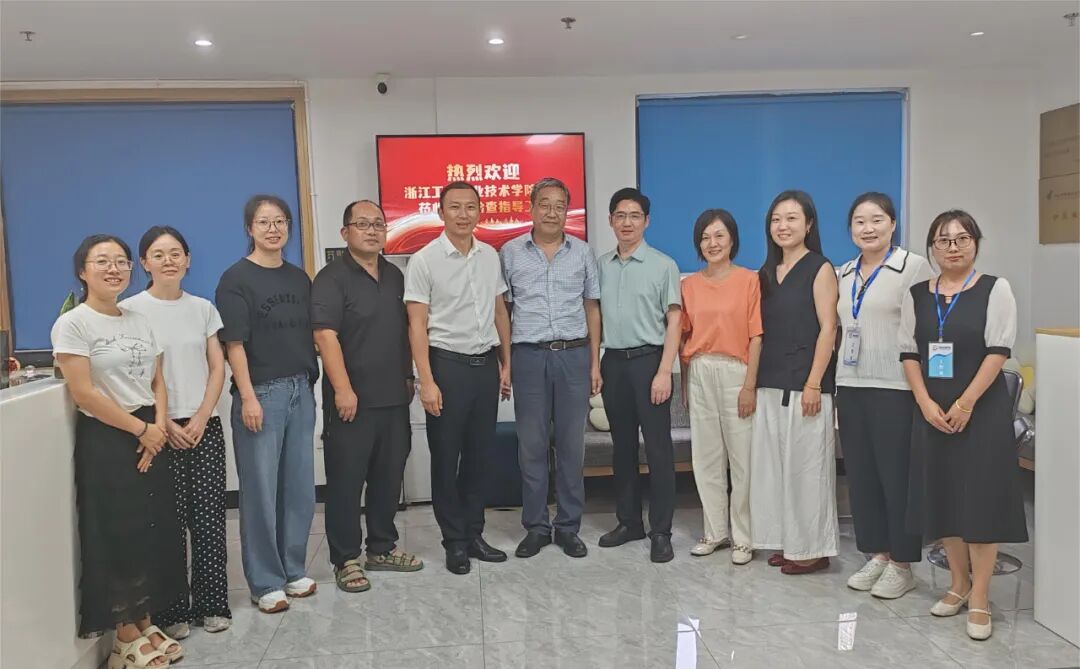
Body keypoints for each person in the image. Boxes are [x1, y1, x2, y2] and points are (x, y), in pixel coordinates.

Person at [52, 234, 185, 668]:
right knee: (116, 532)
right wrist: (142, 430)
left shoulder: (138, 319)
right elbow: (85, 394)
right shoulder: (74, 324)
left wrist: (157, 427)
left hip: (149, 429)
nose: (114, 269)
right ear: (82, 271)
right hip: (109, 435)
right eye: (102, 261)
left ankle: (145, 619)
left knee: (148, 528)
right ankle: (124, 634)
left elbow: (158, 378)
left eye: (121, 262)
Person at [900, 210, 1027, 641]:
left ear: (975, 243)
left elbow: (998, 350)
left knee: (980, 503)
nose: (953, 247)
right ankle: (958, 584)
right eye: (943, 240)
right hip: (932, 411)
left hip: (981, 412)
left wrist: (966, 403)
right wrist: (924, 402)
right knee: (944, 499)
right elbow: (909, 353)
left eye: (962, 238)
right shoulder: (917, 294)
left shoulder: (995, 289)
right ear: (932, 248)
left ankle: (981, 597)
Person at [122, 226, 232, 638]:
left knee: (208, 520)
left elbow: (217, 366)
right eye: (158, 254)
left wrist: (202, 416)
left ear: (187, 260)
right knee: (164, 523)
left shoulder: (202, 308)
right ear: (144, 263)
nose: (168, 260)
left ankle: (212, 605)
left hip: (204, 426)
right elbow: (136, 374)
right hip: (156, 429)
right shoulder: (130, 311)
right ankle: (170, 611)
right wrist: (164, 421)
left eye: (175, 253)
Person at [312, 200, 422, 593]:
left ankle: (381, 548)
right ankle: (345, 558)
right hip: (351, 401)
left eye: (378, 224)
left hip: (393, 396)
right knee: (346, 481)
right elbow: (325, 335)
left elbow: (407, 330)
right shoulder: (331, 277)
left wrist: (409, 377)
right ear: (346, 233)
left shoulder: (394, 275)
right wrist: (343, 389)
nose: (372, 230)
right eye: (363, 224)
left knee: (388, 477)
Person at [215, 195, 319, 614]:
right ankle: (265, 581)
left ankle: (293, 569)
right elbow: (234, 344)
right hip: (261, 393)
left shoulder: (299, 278)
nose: (273, 229)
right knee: (260, 491)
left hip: (301, 390)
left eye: (280, 221)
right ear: (249, 229)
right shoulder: (235, 279)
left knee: (298, 487)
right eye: (263, 222)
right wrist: (248, 397)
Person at [404, 181, 512, 575]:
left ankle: (474, 534)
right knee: (446, 458)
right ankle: (453, 541)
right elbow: (417, 325)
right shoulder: (424, 260)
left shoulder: (489, 256)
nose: (463, 214)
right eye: (455, 207)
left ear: (480, 211)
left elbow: (499, 311)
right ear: (440, 212)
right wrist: (426, 381)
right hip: (446, 367)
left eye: (470, 207)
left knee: (480, 457)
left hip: (485, 367)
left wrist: (506, 363)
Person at [835, 193, 931, 599]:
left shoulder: (913, 267)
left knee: (896, 477)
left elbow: (924, 329)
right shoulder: (843, 272)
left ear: (893, 224)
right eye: (859, 221)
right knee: (861, 476)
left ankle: (903, 563)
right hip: (850, 385)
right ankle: (877, 553)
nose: (868, 228)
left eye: (877, 219)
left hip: (896, 387)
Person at [499, 177, 601, 559]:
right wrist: (506, 362)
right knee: (532, 446)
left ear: (566, 211)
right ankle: (537, 527)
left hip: (573, 355)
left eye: (560, 205)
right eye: (545, 204)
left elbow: (592, 307)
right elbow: (503, 311)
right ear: (531, 208)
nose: (552, 212)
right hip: (528, 356)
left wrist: (595, 363)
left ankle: (569, 527)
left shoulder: (582, 252)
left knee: (572, 447)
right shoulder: (510, 252)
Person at [749, 190, 840, 575]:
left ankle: (813, 549)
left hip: (807, 385)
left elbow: (829, 328)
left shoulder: (820, 268)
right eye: (776, 219)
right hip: (771, 381)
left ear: (809, 224)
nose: (782, 226)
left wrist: (814, 383)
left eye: (791, 218)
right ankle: (791, 542)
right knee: (777, 470)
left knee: (807, 471)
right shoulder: (766, 273)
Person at [596, 187, 682, 564]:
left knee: (659, 450)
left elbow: (675, 320)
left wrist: (665, 371)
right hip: (613, 363)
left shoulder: (664, 265)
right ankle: (629, 522)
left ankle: (661, 531)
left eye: (634, 215)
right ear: (610, 220)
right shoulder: (601, 265)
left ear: (646, 221)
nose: (627, 222)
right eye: (620, 215)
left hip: (650, 363)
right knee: (623, 448)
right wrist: (594, 365)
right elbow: (594, 317)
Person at [679, 209, 762, 565]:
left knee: (743, 459)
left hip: (736, 371)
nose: (712, 243)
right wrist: (685, 385)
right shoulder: (689, 286)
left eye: (719, 236)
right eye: (705, 237)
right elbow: (683, 338)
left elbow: (757, 336)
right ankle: (715, 531)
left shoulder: (749, 280)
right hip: (700, 369)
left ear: (732, 240)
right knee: (706, 457)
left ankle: (744, 537)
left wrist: (749, 385)